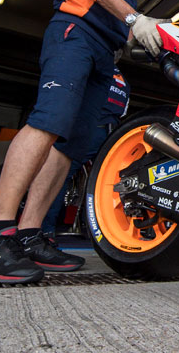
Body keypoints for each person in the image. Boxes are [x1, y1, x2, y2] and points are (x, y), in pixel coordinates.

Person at [0, 0, 175, 284]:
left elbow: (124, 25)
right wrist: (134, 19)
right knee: (48, 123)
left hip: (105, 55)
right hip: (75, 34)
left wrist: (161, 40)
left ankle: (29, 234)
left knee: (71, 146)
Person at [40, 66, 129, 238]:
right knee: (104, 184)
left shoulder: (96, 70)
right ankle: (101, 231)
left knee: (59, 175)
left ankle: (45, 229)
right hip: (112, 135)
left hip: (90, 129)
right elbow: (123, 111)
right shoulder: (124, 82)